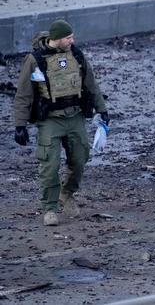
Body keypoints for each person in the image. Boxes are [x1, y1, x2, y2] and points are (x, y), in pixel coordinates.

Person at [13, 20, 109, 226]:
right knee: (49, 164)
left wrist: (102, 109)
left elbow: (91, 84)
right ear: (56, 39)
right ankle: (49, 208)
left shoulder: (77, 55)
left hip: (74, 116)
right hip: (50, 120)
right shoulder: (35, 60)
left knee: (81, 157)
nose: (72, 41)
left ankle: (66, 194)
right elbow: (23, 94)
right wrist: (19, 125)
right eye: (68, 38)